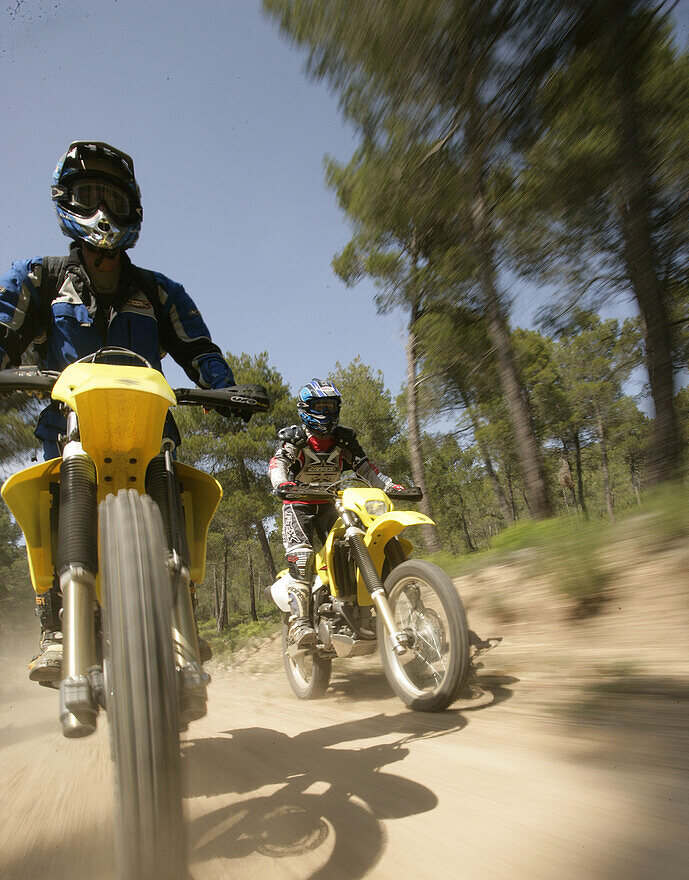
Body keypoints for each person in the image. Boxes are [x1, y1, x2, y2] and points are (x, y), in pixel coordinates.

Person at [0, 140, 236, 682]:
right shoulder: (36, 277)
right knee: (45, 492)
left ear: (133, 208)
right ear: (66, 200)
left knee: (173, 480)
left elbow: (200, 351)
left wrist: (223, 388)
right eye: (89, 195)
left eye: (114, 197)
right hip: (68, 428)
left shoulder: (161, 291)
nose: (103, 210)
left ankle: (184, 616)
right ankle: (55, 622)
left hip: (149, 432)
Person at [269, 378, 403, 648]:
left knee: (362, 541)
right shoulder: (296, 438)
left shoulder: (344, 439)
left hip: (333, 502)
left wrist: (388, 485)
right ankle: (300, 623)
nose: (326, 412)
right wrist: (281, 483)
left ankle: (356, 602)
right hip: (299, 503)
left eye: (330, 406)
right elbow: (278, 463)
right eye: (320, 406)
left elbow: (365, 468)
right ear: (306, 408)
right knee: (303, 556)